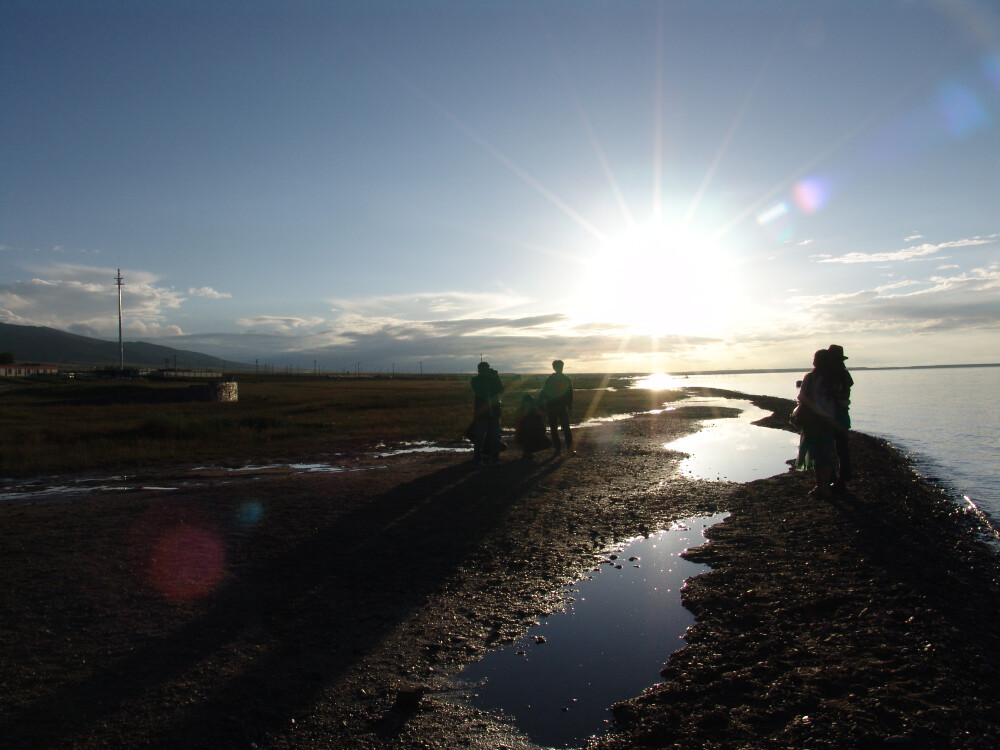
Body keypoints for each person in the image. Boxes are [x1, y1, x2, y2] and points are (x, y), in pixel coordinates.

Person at [795, 349, 841, 497]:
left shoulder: (811, 377)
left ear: (816, 361)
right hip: (828, 420)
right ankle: (824, 487)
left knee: (815, 453)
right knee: (825, 453)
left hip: (812, 420)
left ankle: (821, 486)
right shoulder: (834, 379)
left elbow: (801, 396)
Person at [827, 344, 854, 491]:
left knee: (831, 447)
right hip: (842, 414)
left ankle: (834, 478)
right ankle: (841, 479)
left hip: (833, 415)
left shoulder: (835, 373)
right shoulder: (844, 373)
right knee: (841, 449)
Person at [470, 361, 504, 467]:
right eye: (484, 369)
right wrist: (489, 378)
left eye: (487, 369)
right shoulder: (475, 380)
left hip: (494, 413)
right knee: (479, 438)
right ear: (480, 371)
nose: (486, 371)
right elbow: (481, 390)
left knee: (495, 438)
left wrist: (495, 378)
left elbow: (501, 389)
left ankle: (495, 460)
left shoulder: (493, 379)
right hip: (482, 414)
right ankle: (477, 460)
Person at [539, 359, 573, 456]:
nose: (560, 368)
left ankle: (566, 449)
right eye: (558, 367)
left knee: (564, 428)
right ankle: (560, 448)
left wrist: (570, 407)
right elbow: (545, 393)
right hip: (553, 407)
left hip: (559, 407)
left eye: (560, 367)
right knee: (556, 428)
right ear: (554, 367)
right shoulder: (553, 379)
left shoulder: (561, 379)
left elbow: (570, 394)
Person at [515, 394, 550, 459]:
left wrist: (534, 408)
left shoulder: (534, 409)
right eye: (526, 402)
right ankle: (526, 451)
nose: (527, 404)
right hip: (524, 433)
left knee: (545, 442)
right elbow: (518, 422)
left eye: (529, 402)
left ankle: (529, 450)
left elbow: (542, 414)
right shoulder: (521, 410)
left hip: (534, 432)